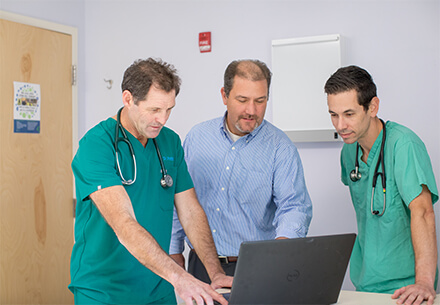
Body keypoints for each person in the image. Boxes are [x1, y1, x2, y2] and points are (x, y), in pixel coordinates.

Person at [70, 58, 232, 305]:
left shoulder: (169, 142)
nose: (163, 119)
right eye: (154, 110)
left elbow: (190, 211)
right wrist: (181, 278)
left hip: (158, 287)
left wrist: (216, 272)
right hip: (104, 292)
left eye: (169, 109)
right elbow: (123, 223)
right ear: (128, 99)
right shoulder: (96, 145)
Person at [169, 59, 313, 283]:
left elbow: (294, 206)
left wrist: (281, 253)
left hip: (255, 268)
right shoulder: (197, 138)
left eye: (260, 101)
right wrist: (173, 248)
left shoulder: (280, 148)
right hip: (200, 265)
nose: (251, 110)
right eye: (242, 100)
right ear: (224, 96)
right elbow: (180, 199)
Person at [325, 65, 438, 305]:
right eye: (333, 114)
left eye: (349, 114)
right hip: (365, 284)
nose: (340, 125)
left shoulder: (403, 145)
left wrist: (425, 282)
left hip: (408, 288)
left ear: (372, 107)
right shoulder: (349, 151)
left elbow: (423, 212)